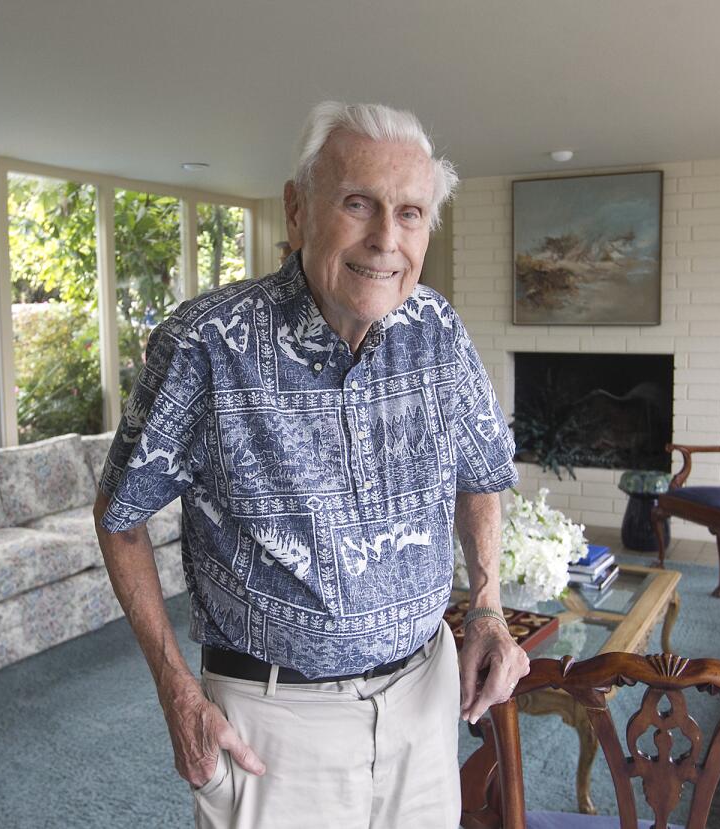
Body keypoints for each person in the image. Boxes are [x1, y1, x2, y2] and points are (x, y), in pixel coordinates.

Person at [93, 100, 529, 828]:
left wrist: (486, 602)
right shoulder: (206, 344)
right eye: (359, 204)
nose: (387, 239)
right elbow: (120, 516)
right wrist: (176, 688)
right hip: (274, 723)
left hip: (425, 699)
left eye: (411, 213)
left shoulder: (437, 329)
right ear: (298, 212)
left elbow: (481, 471)